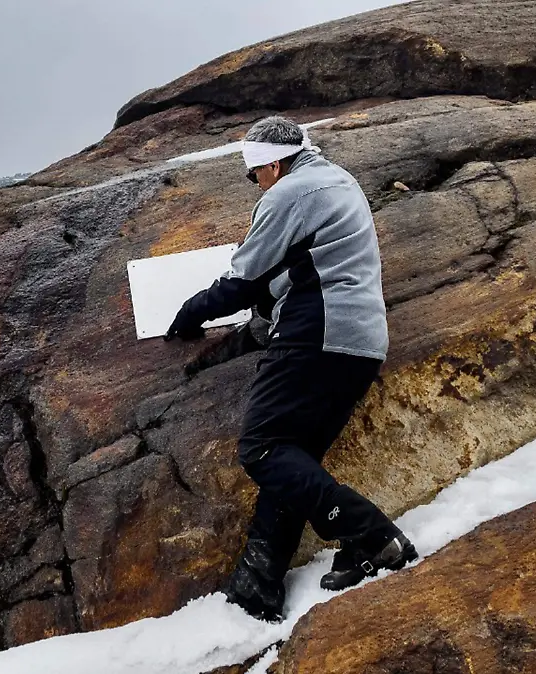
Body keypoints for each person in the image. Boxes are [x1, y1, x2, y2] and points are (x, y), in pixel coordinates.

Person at [164, 116, 416, 622]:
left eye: (253, 175)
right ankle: (258, 587)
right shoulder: (337, 180)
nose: (253, 185)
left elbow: (243, 281)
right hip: (359, 343)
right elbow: (292, 274)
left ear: (272, 165)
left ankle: (372, 532)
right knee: (293, 462)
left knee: (262, 449)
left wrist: (188, 315)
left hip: (316, 338)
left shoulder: (288, 194)